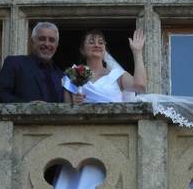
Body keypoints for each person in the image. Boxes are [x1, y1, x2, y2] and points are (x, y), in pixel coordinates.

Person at [53, 28, 146, 189]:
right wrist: (75, 102)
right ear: (82, 49)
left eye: (101, 42)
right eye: (91, 42)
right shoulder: (73, 74)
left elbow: (140, 85)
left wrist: (137, 52)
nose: (97, 45)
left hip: (112, 138)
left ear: (105, 49)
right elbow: (66, 110)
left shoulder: (116, 75)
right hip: (81, 140)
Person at [0, 21, 64, 103]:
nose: (47, 44)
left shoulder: (61, 75)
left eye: (51, 40)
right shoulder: (14, 63)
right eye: (42, 39)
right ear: (33, 42)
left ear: (57, 46)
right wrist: (28, 108)